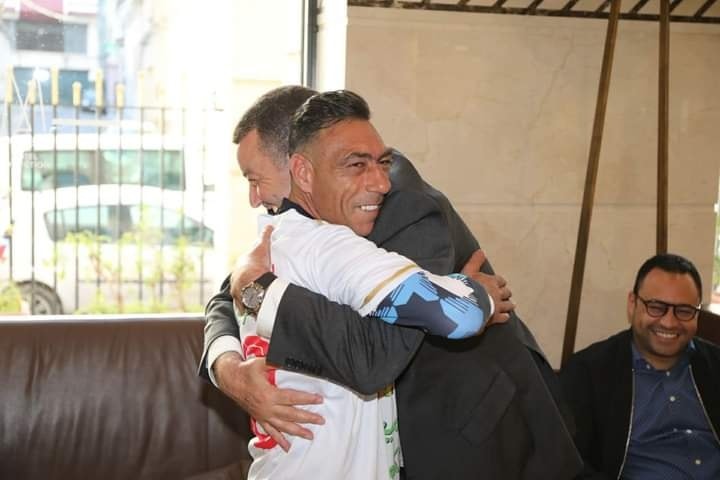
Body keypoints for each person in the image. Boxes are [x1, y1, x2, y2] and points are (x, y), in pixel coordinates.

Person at [200, 86, 583, 479]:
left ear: (299, 164)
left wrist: (262, 292)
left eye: (256, 179)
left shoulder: (404, 208)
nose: (254, 198)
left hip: (475, 427)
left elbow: (374, 355)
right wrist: (228, 369)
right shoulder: (295, 227)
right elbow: (226, 298)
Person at [237, 89, 495, 479]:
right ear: (303, 172)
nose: (382, 183)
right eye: (356, 165)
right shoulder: (327, 246)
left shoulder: (270, 242)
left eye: (383, 163)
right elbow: (460, 315)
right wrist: (476, 290)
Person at [560, 253, 720, 479]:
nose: (669, 322)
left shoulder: (715, 365)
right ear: (632, 303)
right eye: (656, 307)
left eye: (684, 311)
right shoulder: (588, 373)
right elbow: (567, 464)